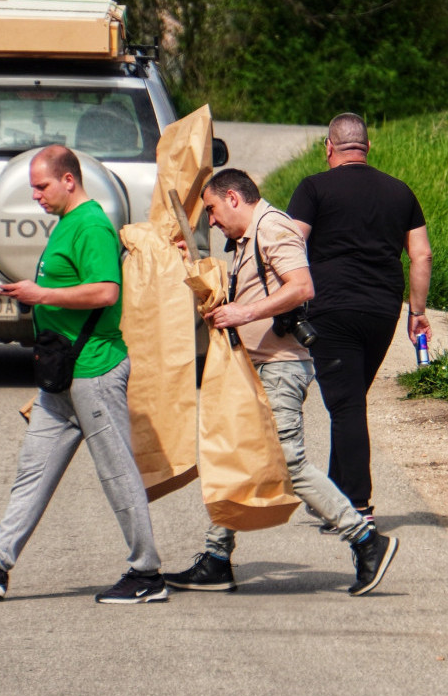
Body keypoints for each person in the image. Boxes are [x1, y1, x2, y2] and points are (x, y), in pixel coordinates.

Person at [0, 145, 166, 604]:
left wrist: (40, 295)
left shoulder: (92, 225)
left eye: (41, 186)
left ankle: (147, 574)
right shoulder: (66, 223)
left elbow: (105, 292)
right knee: (32, 470)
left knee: (118, 475)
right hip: (63, 376)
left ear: (68, 179)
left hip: (94, 371)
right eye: (32, 188)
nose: (36, 196)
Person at [166, 168, 399, 597]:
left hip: (281, 367)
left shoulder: (274, 228)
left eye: (213, 210)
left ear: (233, 197)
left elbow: (303, 287)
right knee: (232, 456)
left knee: (290, 464)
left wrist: (244, 315)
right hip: (252, 368)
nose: (212, 220)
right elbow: (242, 287)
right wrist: (189, 262)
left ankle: (366, 541)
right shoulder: (246, 239)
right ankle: (217, 558)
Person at [286, 112, 433, 525]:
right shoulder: (400, 191)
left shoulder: (314, 187)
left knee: (347, 404)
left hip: (331, 309)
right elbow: (421, 254)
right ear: (367, 147)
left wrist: (284, 298)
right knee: (349, 399)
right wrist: (416, 312)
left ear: (329, 147)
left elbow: (292, 242)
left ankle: (358, 506)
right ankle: (334, 495)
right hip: (382, 310)